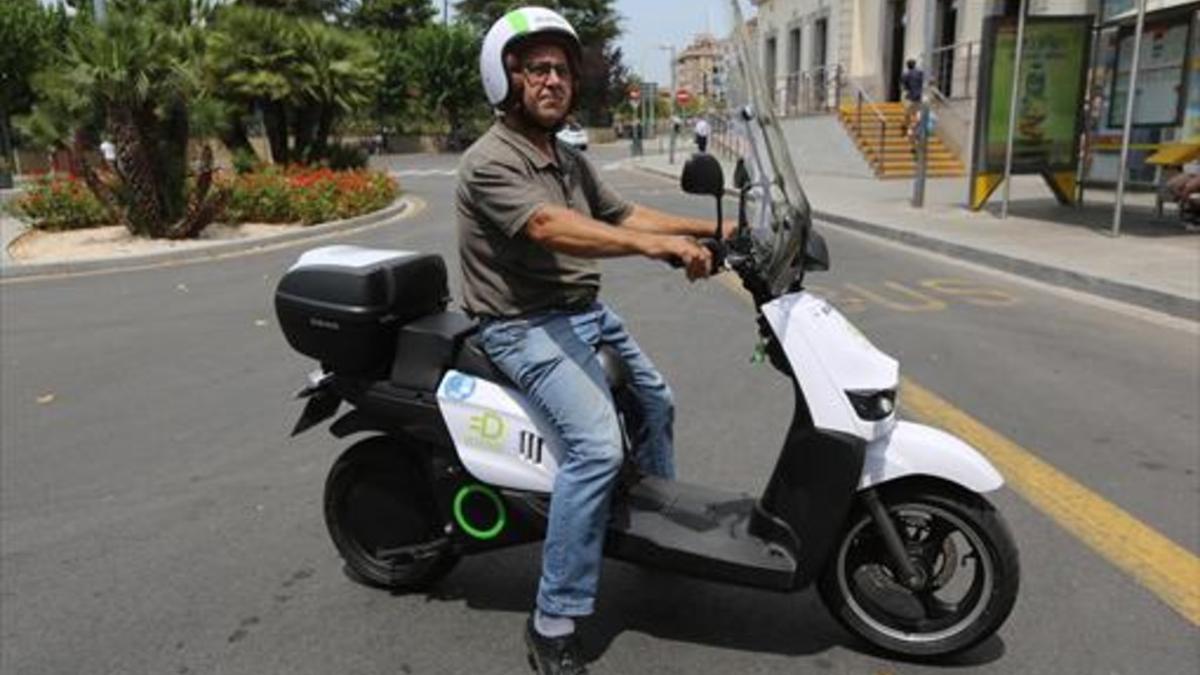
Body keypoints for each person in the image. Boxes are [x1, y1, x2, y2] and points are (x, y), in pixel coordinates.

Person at [460, 7, 722, 674]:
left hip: (584, 314)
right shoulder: (491, 161)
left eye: (562, 70)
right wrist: (655, 246)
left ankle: (655, 540)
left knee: (658, 401)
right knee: (596, 447)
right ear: (507, 76)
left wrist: (714, 228)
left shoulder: (567, 156)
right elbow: (548, 226)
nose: (554, 80)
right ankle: (553, 617)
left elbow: (624, 212)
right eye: (538, 68)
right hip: (521, 324)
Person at [900, 59, 924, 140]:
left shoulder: (905, 75)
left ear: (907, 66)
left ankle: (906, 132)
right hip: (919, 97)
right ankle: (916, 133)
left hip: (910, 97)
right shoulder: (920, 73)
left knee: (907, 115)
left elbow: (904, 87)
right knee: (917, 116)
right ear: (915, 65)